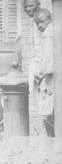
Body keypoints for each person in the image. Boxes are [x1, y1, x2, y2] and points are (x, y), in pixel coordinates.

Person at [32, 8, 55, 136]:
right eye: (37, 23)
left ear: (49, 19)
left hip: (50, 81)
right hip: (49, 80)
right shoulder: (50, 31)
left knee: (47, 115)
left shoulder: (48, 35)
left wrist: (40, 72)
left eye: (42, 22)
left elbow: (47, 63)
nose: (40, 25)